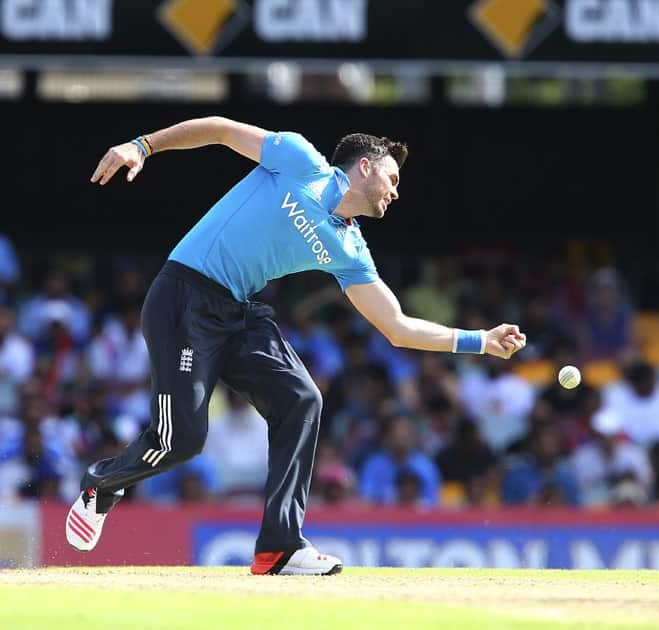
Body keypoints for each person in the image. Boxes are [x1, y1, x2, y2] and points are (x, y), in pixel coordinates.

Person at [65, 117, 527, 576]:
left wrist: (481, 342)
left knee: (301, 400)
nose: (396, 191)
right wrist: (142, 146)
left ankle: (279, 547)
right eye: (393, 177)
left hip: (239, 311)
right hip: (184, 297)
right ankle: (100, 485)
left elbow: (397, 327)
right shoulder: (300, 160)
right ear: (364, 167)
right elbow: (220, 129)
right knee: (181, 441)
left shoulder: (350, 248)